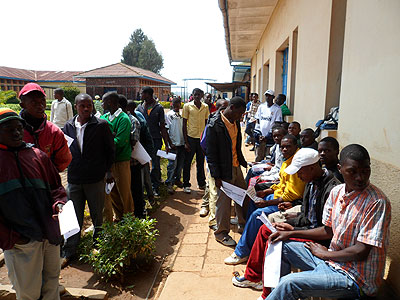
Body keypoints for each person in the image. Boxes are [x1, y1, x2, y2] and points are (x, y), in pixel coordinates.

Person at [264, 144, 391, 300]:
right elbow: (327, 230)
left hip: (355, 277)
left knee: (289, 283)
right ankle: (273, 295)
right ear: (340, 168)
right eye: (352, 171)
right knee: (281, 246)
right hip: (332, 261)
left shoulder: (377, 202)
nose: (360, 177)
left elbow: (361, 251)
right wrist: (290, 233)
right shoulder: (337, 192)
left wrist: (324, 254)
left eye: (365, 171)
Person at [231, 148, 340, 299]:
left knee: (273, 238)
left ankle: (265, 289)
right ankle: (255, 277)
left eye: (300, 172)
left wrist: (292, 231)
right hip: (308, 229)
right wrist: (289, 223)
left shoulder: (332, 189)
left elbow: (326, 230)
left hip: (319, 241)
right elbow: (307, 216)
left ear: (312, 167)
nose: (298, 176)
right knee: (266, 229)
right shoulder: (310, 182)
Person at [0, 108, 67, 300]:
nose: (16, 133)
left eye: (19, 128)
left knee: (52, 285)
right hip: (21, 242)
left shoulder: (37, 155)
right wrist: (11, 238)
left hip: (49, 235)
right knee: (28, 292)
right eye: (8, 129)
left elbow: (56, 188)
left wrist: (59, 204)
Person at [225, 135, 305, 261]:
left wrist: (267, 203)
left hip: (287, 202)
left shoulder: (297, 164)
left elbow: (291, 195)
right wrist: (267, 191)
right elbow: (282, 183)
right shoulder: (287, 160)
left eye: (288, 147)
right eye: (282, 147)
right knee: (253, 200)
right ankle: (249, 234)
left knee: (257, 214)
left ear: (296, 147)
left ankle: (242, 252)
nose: (284, 149)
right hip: (278, 195)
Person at [61, 94, 114, 266]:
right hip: (75, 179)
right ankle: (70, 250)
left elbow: (109, 150)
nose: (86, 109)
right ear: (76, 106)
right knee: (73, 215)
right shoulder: (68, 126)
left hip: (95, 178)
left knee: (97, 214)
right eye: (82, 105)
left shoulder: (101, 125)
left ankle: (98, 245)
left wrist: (108, 172)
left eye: (89, 105)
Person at [205, 96, 248, 246]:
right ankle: (221, 233)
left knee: (242, 195)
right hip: (223, 170)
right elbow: (210, 154)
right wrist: (216, 176)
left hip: (235, 166)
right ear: (232, 108)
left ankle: (242, 223)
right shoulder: (214, 125)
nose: (240, 117)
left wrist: (242, 161)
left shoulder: (235, 121)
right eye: (240, 113)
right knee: (223, 203)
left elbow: (236, 144)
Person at [18, 83, 72, 172]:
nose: (40, 106)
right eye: (34, 102)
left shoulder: (54, 131)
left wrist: (47, 175)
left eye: (42, 101)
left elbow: (64, 160)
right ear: (22, 105)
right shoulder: (13, 131)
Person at [101, 91, 134, 222]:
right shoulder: (105, 117)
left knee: (124, 191)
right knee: (112, 191)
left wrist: (106, 140)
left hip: (121, 160)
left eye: (103, 102)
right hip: (109, 162)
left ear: (110, 102)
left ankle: (129, 220)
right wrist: (110, 137)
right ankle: (119, 216)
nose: (101, 104)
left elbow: (119, 142)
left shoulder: (123, 119)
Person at [200, 99, 229, 229]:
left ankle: (205, 205)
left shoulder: (227, 122)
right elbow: (204, 144)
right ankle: (213, 219)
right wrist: (212, 162)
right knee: (214, 190)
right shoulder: (212, 123)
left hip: (223, 162)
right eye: (224, 107)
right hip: (214, 162)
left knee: (210, 186)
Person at [136, 87, 171, 196]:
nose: (140, 95)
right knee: (143, 163)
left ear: (148, 95)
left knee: (155, 163)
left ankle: (155, 187)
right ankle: (146, 186)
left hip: (155, 140)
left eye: (142, 93)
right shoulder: (139, 108)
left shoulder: (158, 108)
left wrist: (167, 143)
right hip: (143, 141)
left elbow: (162, 127)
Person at [182, 88, 210, 193]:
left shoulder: (205, 107)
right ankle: (186, 184)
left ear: (202, 96)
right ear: (192, 95)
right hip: (190, 138)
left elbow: (207, 124)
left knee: (200, 161)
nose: (197, 97)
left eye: (199, 95)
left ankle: (201, 183)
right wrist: (185, 141)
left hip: (201, 139)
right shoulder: (187, 106)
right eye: (195, 95)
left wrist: (206, 139)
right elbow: (184, 124)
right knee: (187, 162)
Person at [254, 90, 282, 162]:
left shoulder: (277, 109)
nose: (267, 97)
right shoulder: (261, 107)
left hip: (270, 138)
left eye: (269, 96)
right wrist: (259, 134)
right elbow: (258, 121)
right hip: (260, 138)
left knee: (268, 158)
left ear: (273, 97)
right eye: (266, 95)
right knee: (258, 157)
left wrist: (268, 136)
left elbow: (277, 124)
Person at [165, 97, 185, 194]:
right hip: (173, 144)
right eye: (175, 105)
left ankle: (177, 180)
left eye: (179, 105)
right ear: (172, 104)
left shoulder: (181, 114)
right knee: (172, 165)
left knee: (180, 164)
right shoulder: (169, 115)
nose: (177, 107)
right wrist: (170, 143)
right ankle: (169, 183)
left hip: (181, 143)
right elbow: (165, 130)